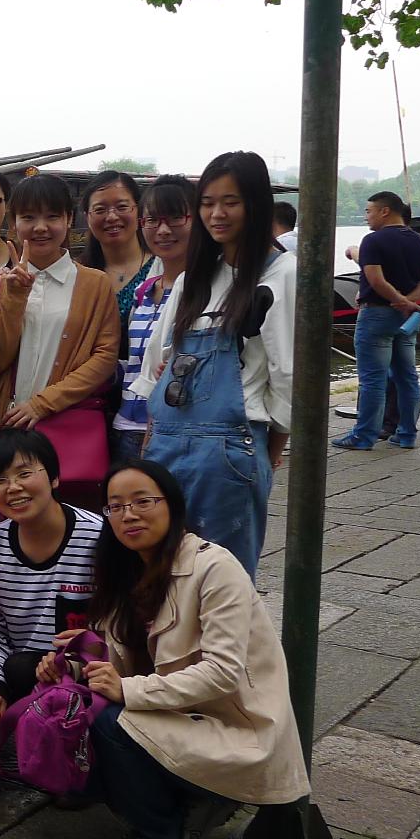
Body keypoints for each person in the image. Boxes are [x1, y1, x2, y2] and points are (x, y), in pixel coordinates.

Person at [38, 459, 308, 839]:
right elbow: (120, 659)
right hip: (177, 717)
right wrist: (75, 663)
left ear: (173, 505)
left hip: (235, 730)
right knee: (73, 709)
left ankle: (166, 837)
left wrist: (127, 690)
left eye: (143, 501)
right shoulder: (125, 571)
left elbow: (222, 672)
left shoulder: (214, 568)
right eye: (116, 506)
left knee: (110, 721)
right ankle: (186, 803)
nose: (129, 515)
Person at [136, 151, 294, 576]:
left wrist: (267, 454)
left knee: (222, 579)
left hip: (229, 450)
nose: (216, 214)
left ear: (256, 205)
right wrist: (150, 446)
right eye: (207, 203)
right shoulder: (194, 279)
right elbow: (156, 366)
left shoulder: (283, 274)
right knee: (157, 574)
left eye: (230, 202)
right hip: (166, 444)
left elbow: (287, 377)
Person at [0, 175, 122, 496]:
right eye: (29, 217)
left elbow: (104, 357)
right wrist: (15, 299)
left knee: (71, 512)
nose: (40, 227)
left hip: (68, 425)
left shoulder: (95, 284)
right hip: (7, 423)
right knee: (9, 511)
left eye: (52, 216)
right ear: (13, 224)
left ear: (69, 220)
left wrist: (42, 404)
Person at [0, 430, 98, 725]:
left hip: (88, 672)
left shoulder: (98, 536)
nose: (13, 488)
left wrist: (75, 659)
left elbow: (119, 628)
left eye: (24, 474)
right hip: (22, 676)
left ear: (54, 478)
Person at [335, 191, 420, 451]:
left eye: (368, 211)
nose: (366, 216)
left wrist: (398, 300)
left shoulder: (373, 240)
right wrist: (408, 302)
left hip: (376, 315)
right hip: (407, 318)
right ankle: (407, 433)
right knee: (407, 377)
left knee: (373, 379)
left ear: (385, 211)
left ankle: (364, 436)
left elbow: (376, 280)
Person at [113, 176, 196, 463]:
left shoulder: (205, 293)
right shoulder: (144, 291)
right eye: (152, 220)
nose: (163, 230)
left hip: (174, 429)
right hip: (126, 425)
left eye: (175, 218)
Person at [79, 171, 154, 329]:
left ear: (139, 211)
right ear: (87, 217)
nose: (112, 217)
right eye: (100, 210)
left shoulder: (161, 270)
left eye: (122, 207)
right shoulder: (77, 274)